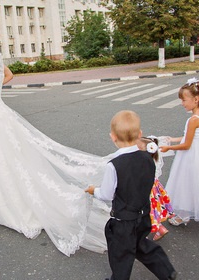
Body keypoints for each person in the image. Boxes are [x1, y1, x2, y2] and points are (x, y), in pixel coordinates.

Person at [0, 19, 112, 256]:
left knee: (0, 160)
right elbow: (6, 76)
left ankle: (10, 208)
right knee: (5, 159)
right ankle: (11, 204)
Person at [85, 110, 177, 280]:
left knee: (121, 255)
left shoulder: (114, 165)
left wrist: (93, 191)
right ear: (139, 134)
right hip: (143, 216)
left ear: (113, 137)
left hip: (123, 221)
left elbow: (106, 194)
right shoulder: (148, 158)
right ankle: (167, 271)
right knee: (141, 245)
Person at [160, 77, 199, 226]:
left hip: (190, 156)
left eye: (184, 100)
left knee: (186, 183)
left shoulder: (193, 119)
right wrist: (173, 139)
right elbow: (190, 137)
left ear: (196, 99)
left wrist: (169, 147)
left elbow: (187, 145)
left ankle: (183, 215)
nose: (182, 103)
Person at [137, 137, 174, 241]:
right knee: (153, 209)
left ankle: (144, 235)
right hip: (154, 190)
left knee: (146, 212)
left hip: (145, 191)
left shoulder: (141, 163)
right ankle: (160, 227)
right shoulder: (152, 160)